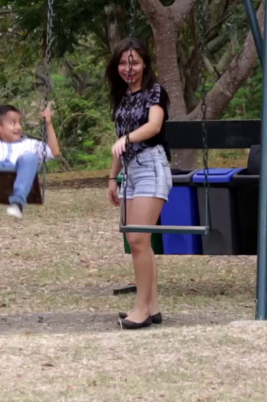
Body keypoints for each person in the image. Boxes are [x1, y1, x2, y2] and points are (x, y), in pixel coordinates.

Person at [105, 37, 171, 330]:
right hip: (130, 170)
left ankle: (141, 309)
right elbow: (120, 145)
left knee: (137, 240)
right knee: (139, 242)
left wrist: (127, 138)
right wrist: (113, 177)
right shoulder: (123, 97)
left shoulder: (155, 91)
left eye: (133, 62)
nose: (127, 68)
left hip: (151, 166)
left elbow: (154, 126)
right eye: (122, 63)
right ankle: (152, 307)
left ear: (145, 64)